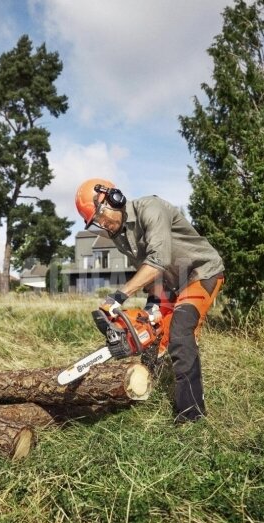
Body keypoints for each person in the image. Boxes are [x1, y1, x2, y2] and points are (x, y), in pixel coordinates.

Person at [75, 178, 225, 423]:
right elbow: (149, 271)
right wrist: (152, 306)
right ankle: (146, 387)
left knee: (180, 331)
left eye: (101, 217)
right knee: (151, 331)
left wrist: (118, 297)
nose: (103, 225)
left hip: (201, 272)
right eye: (97, 223)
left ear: (114, 199)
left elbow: (159, 260)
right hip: (170, 283)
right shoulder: (119, 235)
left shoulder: (150, 209)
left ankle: (191, 414)